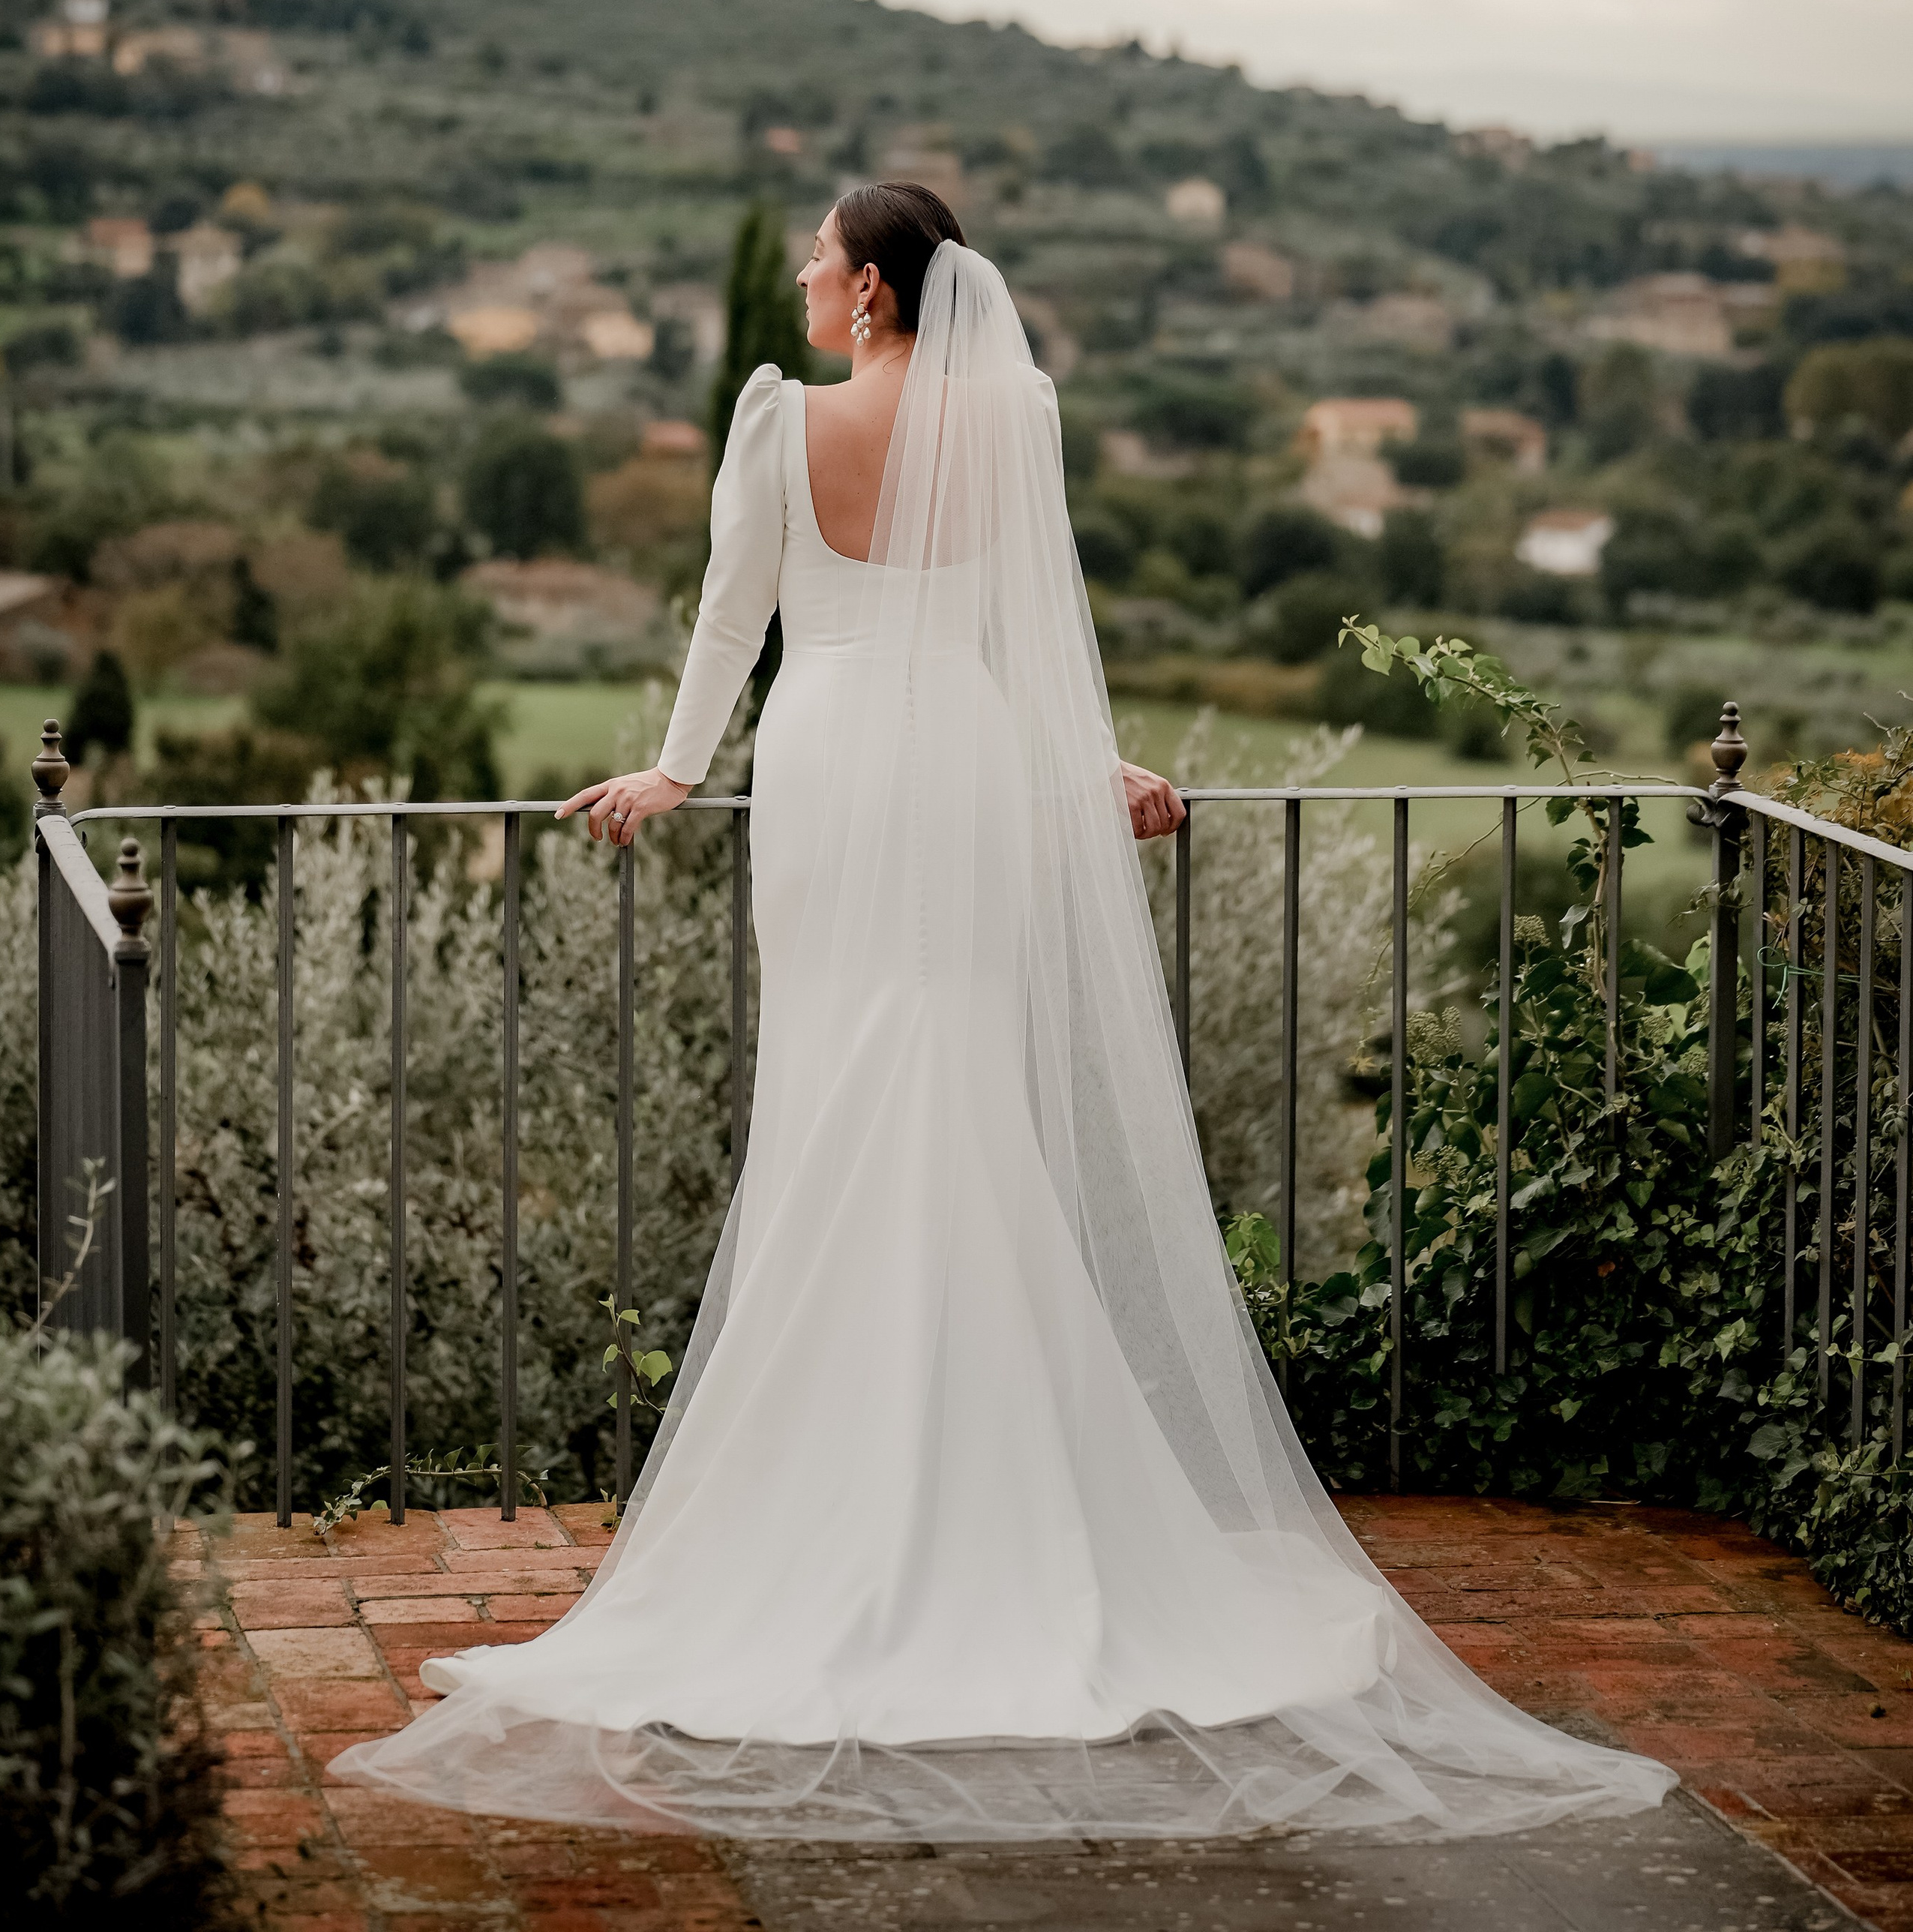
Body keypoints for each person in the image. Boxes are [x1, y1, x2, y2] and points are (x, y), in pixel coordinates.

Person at [335, 186, 1673, 1840]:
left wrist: (678, 772)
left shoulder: (779, 423)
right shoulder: (1011, 420)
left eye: (831, 257)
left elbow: (731, 624)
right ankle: (999, 1492)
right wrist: (1077, 761)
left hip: (826, 766)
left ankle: (846, 1500)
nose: (811, 277)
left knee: (847, 1092)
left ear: (880, 290)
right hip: (965, 760)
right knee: (952, 1077)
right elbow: (1031, 633)